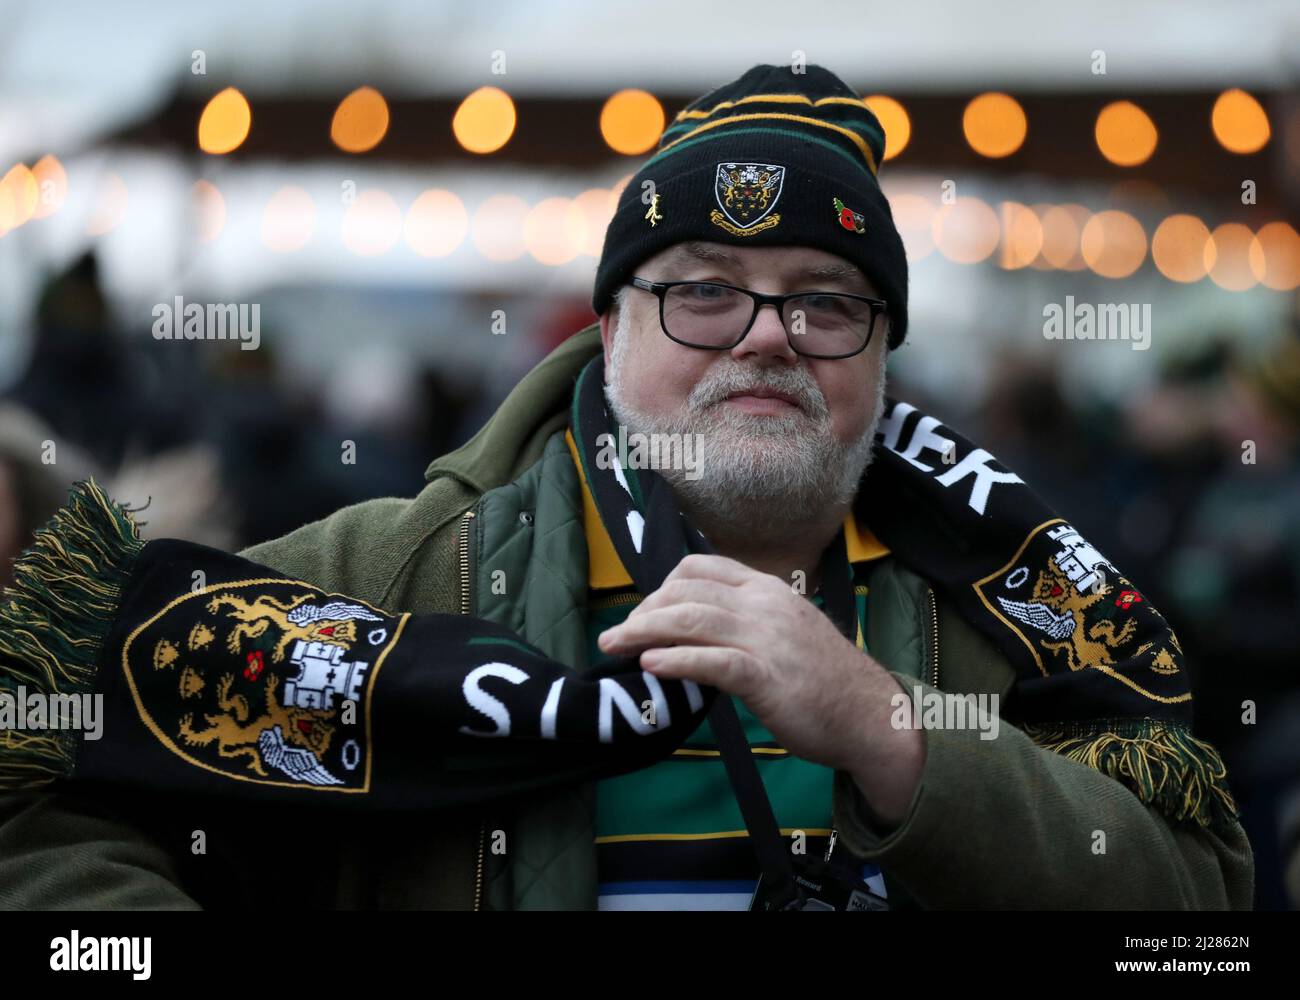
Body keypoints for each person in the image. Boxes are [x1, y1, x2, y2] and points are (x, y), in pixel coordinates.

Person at [0, 64, 1253, 910]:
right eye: (700, 289)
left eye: (826, 300)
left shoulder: (1013, 604)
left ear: (883, 352)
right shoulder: (388, 576)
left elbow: (1196, 896)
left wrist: (890, 728)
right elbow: (52, 804)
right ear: (608, 332)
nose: (765, 335)